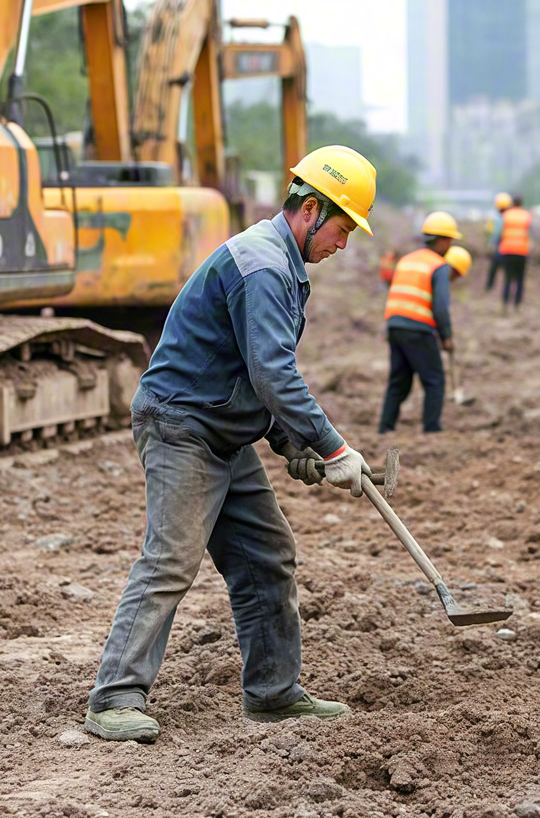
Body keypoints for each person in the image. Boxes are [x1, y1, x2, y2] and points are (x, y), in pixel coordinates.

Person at [85, 145, 377, 744]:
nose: (343, 244)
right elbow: (273, 372)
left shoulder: (283, 264)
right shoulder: (264, 265)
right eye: (343, 229)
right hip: (182, 425)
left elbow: (246, 370)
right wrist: (331, 447)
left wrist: (291, 442)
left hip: (221, 428)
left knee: (267, 552)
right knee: (171, 558)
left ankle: (273, 693)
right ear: (311, 210)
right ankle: (114, 697)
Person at [378, 210, 461, 434]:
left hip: (395, 325)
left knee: (398, 381)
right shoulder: (439, 265)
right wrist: (446, 336)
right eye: (450, 240)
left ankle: (385, 427)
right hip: (418, 328)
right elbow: (440, 306)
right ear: (443, 240)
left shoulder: (406, 260)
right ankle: (431, 429)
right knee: (435, 380)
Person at [498, 195, 532, 310]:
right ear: (522, 203)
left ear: (512, 203)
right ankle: (517, 304)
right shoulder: (526, 215)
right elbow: (531, 231)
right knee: (520, 279)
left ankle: (505, 302)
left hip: (507, 250)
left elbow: (499, 232)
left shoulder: (506, 215)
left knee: (507, 278)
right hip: (522, 251)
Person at [485, 192, 513, 292]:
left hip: (501, 247)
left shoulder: (495, 218)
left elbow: (492, 233)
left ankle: (489, 286)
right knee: (507, 270)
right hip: (508, 248)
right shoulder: (510, 217)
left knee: (494, 267)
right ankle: (506, 289)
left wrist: (490, 243)